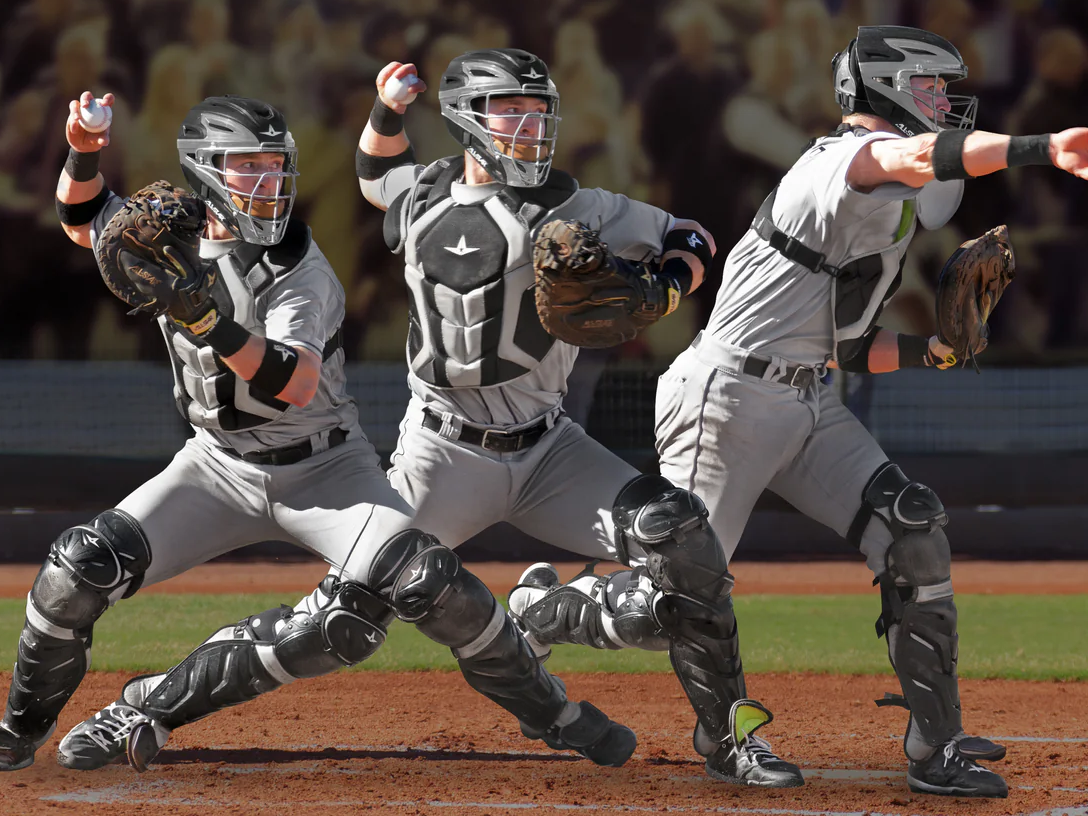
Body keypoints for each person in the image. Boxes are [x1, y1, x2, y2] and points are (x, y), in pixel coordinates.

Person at [72, 47, 802, 788]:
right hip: (441, 452)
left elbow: (692, 235)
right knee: (341, 624)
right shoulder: (422, 194)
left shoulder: (577, 206)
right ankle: (148, 708)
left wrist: (666, 288)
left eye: (538, 113)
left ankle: (728, 736)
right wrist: (388, 109)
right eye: (511, 112)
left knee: (681, 538)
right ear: (466, 118)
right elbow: (372, 173)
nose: (530, 129)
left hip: (551, 448)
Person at [514, 25, 1088, 798]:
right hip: (726, 398)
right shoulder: (838, 163)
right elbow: (915, 156)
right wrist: (1041, 147)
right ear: (887, 90)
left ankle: (936, 744)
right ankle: (546, 612)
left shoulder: (888, 200)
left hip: (808, 397)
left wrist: (935, 352)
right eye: (931, 89)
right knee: (672, 603)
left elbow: (848, 347)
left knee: (912, 526)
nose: (946, 105)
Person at [0, 91, 632, 773]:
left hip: (325, 471)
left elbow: (291, 382)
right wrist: (85, 146)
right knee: (77, 569)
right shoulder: (170, 235)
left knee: (418, 590)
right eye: (250, 166)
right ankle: (17, 731)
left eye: (276, 166)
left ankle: (554, 714)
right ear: (205, 168)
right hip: (215, 466)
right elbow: (80, 217)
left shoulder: (298, 264)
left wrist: (202, 317)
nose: (269, 182)